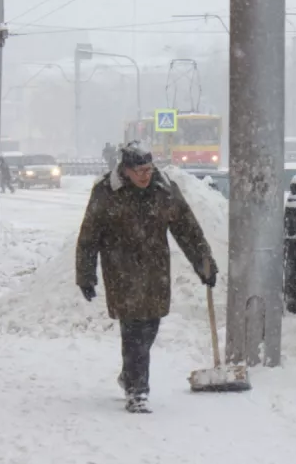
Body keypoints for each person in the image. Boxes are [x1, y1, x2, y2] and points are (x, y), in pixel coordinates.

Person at [76, 142, 217, 414]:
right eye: (139, 170)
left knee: (150, 326)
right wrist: (86, 275)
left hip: (155, 272)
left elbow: (187, 229)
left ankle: (130, 374)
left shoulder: (163, 190)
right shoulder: (107, 191)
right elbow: (89, 236)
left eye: (149, 169)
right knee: (133, 332)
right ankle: (137, 391)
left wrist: (204, 264)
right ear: (126, 170)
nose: (145, 175)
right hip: (121, 272)